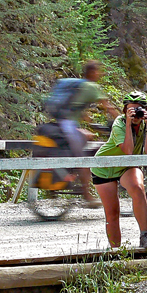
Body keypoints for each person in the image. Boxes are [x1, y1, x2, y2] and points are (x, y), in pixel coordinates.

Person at [90, 91, 147, 249]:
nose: (135, 114)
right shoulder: (119, 123)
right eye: (131, 110)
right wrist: (127, 124)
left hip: (127, 165)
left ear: (146, 110)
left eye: (139, 109)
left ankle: (144, 235)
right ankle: (116, 251)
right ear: (124, 111)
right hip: (104, 167)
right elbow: (128, 150)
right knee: (112, 213)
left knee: (138, 188)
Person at [56, 60, 118, 207]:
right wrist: (122, 120)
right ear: (92, 72)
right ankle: (87, 194)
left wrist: (91, 125)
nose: (100, 74)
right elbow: (108, 106)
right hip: (68, 125)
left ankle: (79, 180)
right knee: (83, 158)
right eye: (98, 71)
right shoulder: (91, 86)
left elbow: (79, 110)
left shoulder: (80, 86)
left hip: (63, 123)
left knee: (86, 139)